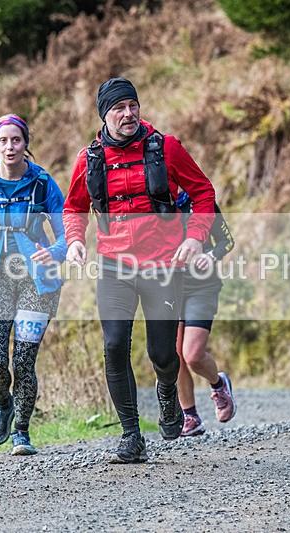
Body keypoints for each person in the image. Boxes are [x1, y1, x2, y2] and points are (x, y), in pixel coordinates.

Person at [62, 78, 216, 463]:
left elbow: (203, 193)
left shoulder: (165, 148)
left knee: (164, 354)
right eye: (119, 108)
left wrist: (195, 237)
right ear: (104, 115)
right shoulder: (90, 159)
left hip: (163, 265)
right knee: (114, 346)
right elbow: (74, 207)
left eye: (133, 106)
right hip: (114, 266)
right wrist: (75, 240)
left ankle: (167, 395)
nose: (128, 114)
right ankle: (131, 435)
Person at [0, 114, 67, 456]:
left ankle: (21, 431)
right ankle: (3, 405)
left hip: (36, 283)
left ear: (26, 143)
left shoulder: (43, 184)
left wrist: (52, 253)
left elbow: (67, 233)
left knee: (23, 362)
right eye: (3, 140)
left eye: (16, 140)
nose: (10, 146)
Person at [174, 191, 236, 437]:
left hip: (202, 286)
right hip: (168, 286)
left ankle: (219, 385)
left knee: (192, 354)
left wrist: (211, 255)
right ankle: (190, 416)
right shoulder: (152, 203)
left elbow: (227, 241)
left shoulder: (199, 202)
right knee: (173, 354)